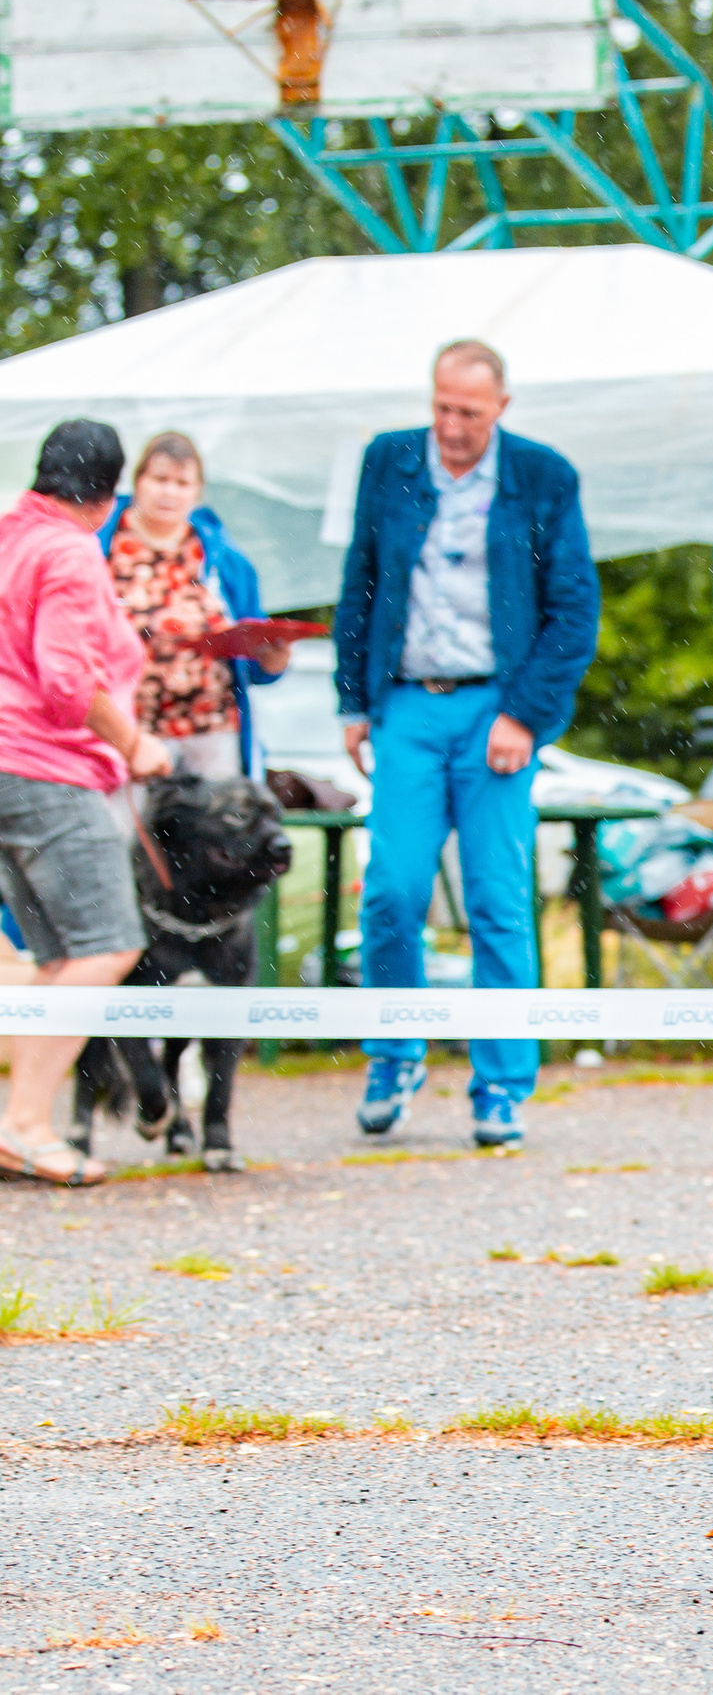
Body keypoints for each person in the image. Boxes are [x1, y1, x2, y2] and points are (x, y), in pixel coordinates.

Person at [333, 340, 599, 1148]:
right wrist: (352, 699)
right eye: (442, 407)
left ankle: (501, 1084)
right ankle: (394, 1051)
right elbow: (362, 575)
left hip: (496, 705)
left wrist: (526, 715)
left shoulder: (543, 476)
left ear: (502, 409)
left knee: (496, 900)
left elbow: (574, 608)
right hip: (407, 703)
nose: (451, 426)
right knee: (391, 892)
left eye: (469, 413)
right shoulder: (388, 460)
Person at [0, 420, 172, 1185]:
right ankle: (25, 1123)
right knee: (105, 943)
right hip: (44, 767)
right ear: (108, 496)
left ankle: (21, 1121)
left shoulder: (10, 530)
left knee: (62, 956)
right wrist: (134, 742)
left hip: (9, 765)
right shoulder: (70, 550)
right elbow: (67, 679)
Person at [97, 431, 291, 780]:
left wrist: (272, 662)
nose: (169, 492)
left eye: (182, 483)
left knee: (216, 828)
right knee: (126, 832)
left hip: (211, 726)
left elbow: (252, 646)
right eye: (159, 479)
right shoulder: (100, 546)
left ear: (197, 491)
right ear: (137, 482)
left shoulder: (223, 558)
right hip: (127, 728)